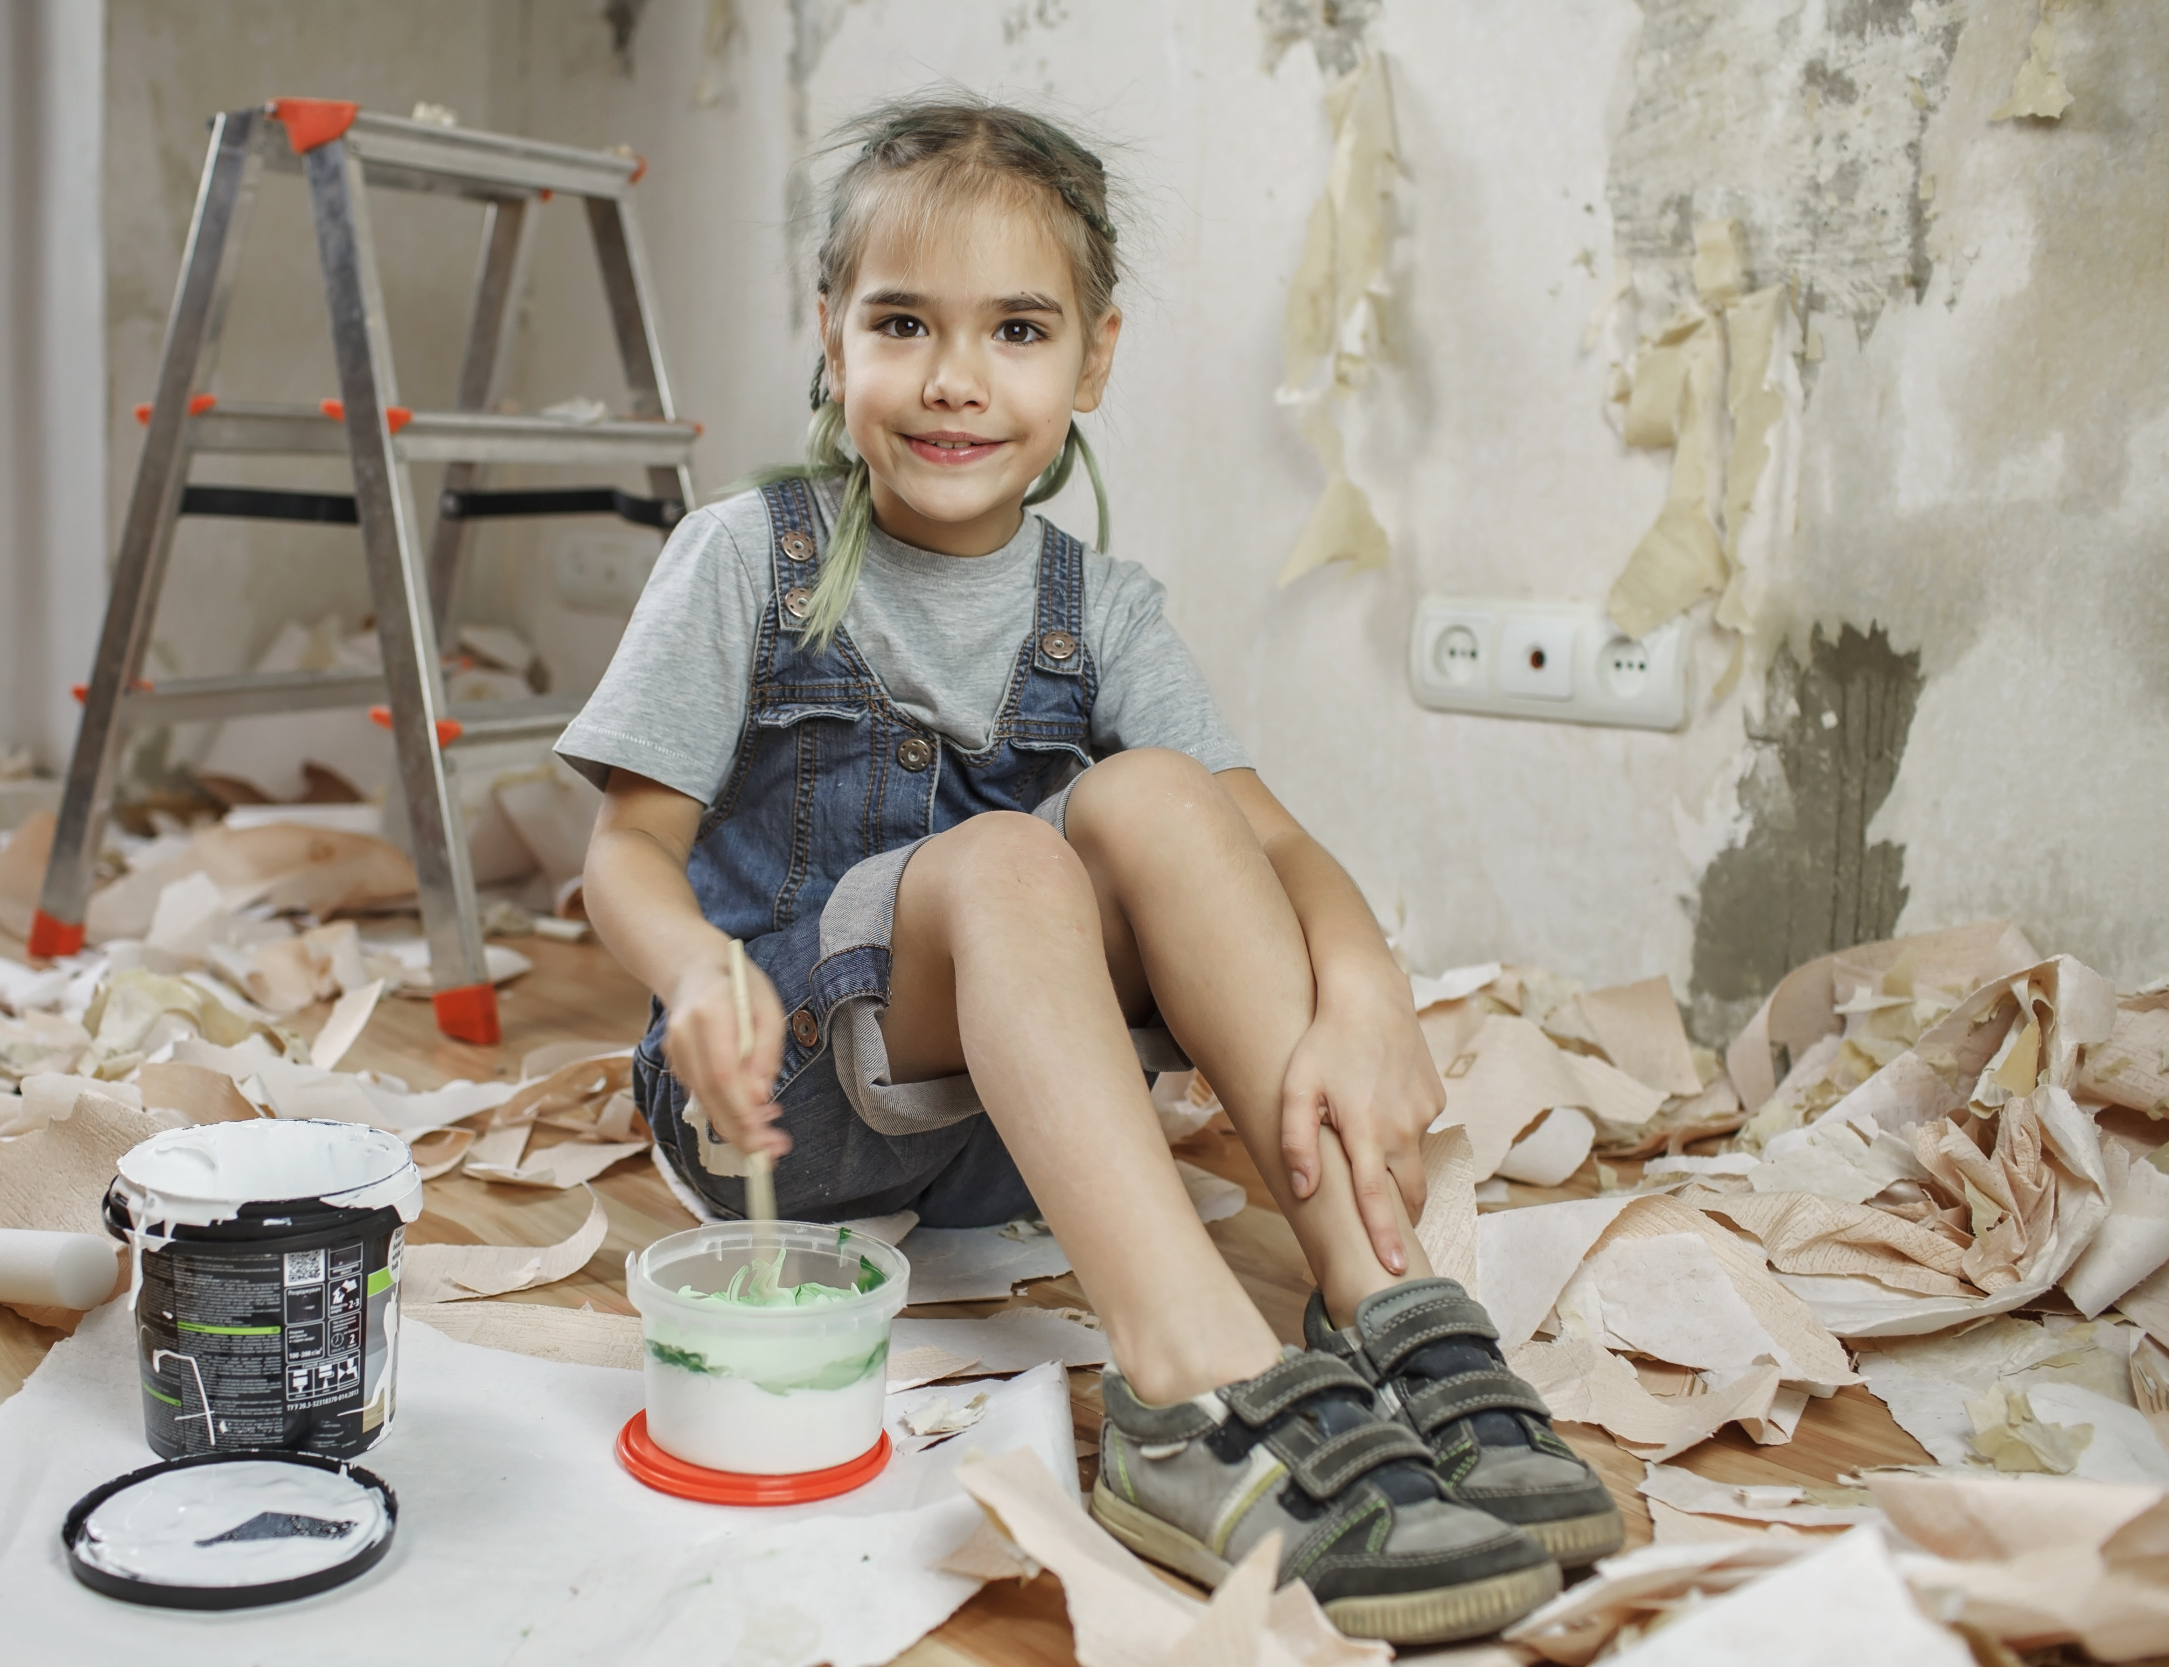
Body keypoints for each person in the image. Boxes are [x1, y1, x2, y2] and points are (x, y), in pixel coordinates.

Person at [560, 96, 1617, 1646]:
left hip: (1023, 1140)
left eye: (1017, 330)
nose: (953, 381)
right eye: (903, 322)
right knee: (1000, 862)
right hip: (784, 1123)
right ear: (829, 334)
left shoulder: (1096, 607)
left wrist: (1367, 992)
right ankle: (1189, 1388)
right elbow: (625, 854)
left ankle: (1379, 1293)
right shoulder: (746, 556)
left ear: (1094, 359)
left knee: (1165, 798)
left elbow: (1268, 844)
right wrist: (688, 964)